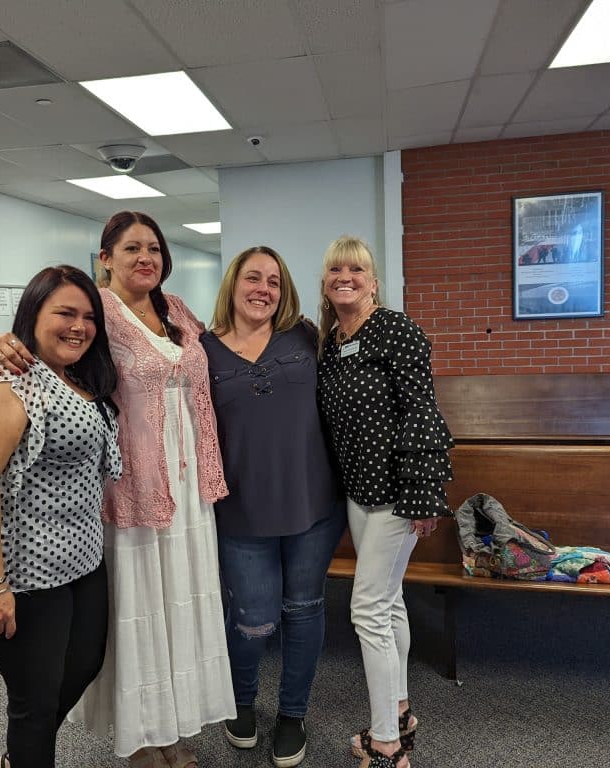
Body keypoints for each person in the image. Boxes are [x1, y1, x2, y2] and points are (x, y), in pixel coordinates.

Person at [0, 211, 233, 768]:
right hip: (135, 488)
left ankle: (171, 731)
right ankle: (143, 739)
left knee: (182, 606)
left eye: (154, 248)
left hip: (190, 487)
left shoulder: (177, 311)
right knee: (143, 608)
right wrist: (1, 343)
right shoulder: (97, 314)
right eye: (131, 248)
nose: (146, 257)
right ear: (106, 258)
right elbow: (50, 349)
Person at [0, 265, 122, 768]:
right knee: (33, 702)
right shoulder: (5, 379)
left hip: (80, 561)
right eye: (65, 313)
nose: (79, 326)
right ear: (33, 314)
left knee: (84, 666)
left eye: (88, 317)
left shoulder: (77, 374)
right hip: (22, 574)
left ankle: (18, 758)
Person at [200, 247, 345, 768]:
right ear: (232, 285)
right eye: (253, 278)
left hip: (313, 507)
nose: (263, 289)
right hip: (243, 512)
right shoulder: (201, 350)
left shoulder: (306, 336)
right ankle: (239, 701)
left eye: (274, 282)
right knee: (252, 619)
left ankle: (292, 713)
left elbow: (361, 332)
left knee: (303, 612)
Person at [315, 236, 454, 768]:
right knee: (389, 601)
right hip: (359, 492)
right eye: (335, 268)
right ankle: (399, 709)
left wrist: (425, 495)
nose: (344, 275)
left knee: (367, 609)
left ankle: (385, 743)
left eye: (357, 269)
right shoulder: (332, 340)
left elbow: (422, 411)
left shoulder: (396, 330)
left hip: (399, 492)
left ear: (373, 282)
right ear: (326, 282)